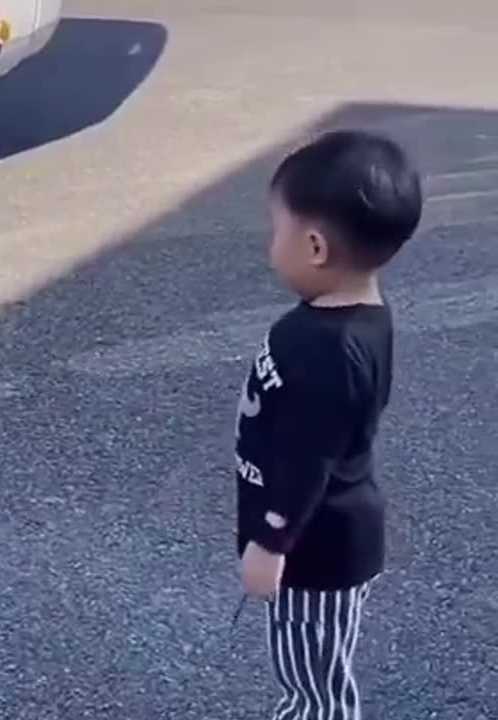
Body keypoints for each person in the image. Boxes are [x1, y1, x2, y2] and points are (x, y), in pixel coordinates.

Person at [235, 130, 422, 718]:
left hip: (315, 552)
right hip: (325, 538)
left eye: (278, 230)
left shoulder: (327, 349)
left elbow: (306, 462)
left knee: (313, 688)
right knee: (315, 666)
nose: (272, 245)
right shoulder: (359, 314)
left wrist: (269, 543)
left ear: (315, 247)